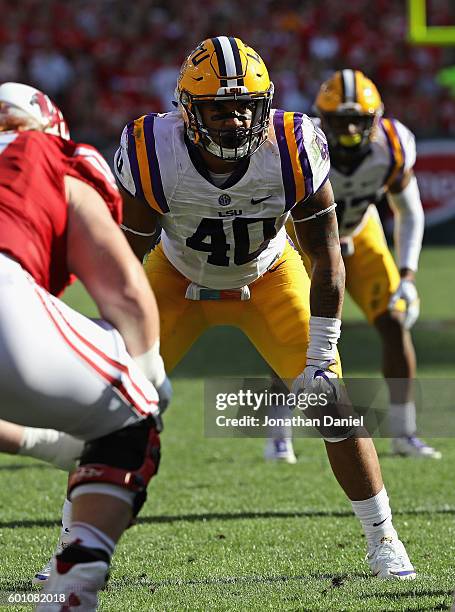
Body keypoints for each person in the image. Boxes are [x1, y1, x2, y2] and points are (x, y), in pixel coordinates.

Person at [43, 37, 416, 581]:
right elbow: (127, 254)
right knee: (109, 406)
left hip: (268, 276)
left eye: (246, 105)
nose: (236, 118)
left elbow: (327, 256)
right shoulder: (154, 150)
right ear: (187, 109)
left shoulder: (292, 145)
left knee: (332, 403)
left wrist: (320, 352)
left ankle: (385, 541)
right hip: (175, 278)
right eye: (220, 106)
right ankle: (71, 544)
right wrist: (112, 337)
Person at [0, 81, 170, 611]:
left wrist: (40, 443)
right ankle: (71, 586)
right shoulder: (46, 152)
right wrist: (151, 378)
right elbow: (124, 290)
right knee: (135, 417)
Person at [280, 69, 439, 460]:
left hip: (361, 233)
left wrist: (407, 275)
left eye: (358, 119)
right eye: (339, 119)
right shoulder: (304, 144)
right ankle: (277, 432)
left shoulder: (393, 145)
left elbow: (409, 211)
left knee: (393, 321)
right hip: (306, 239)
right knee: (290, 331)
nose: (350, 127)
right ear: (322, 118)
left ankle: (404, 432)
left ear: (376, 117)